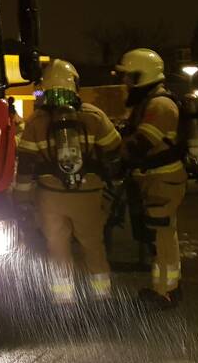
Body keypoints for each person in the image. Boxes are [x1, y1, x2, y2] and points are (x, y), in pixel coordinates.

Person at [14, 59, 122, 302]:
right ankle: (102, 296)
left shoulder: (36, 121)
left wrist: (20, 197)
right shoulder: (95, 116)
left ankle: (63, 299)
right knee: (93, 245)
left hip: (50, 196)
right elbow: (115, 150)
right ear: (75, 84)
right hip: (88, 194)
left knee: (57, 246)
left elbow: (26, 163)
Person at [114, 48, 188, 309]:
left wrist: (114, 149)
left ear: (142, 76)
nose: (126, 83)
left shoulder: (159, 105)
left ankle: (164, 293)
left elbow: (142, 143)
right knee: (165, 235)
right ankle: (169, 287)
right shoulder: (150, 102)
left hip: (162, 181)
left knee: (162, 239)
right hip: (157, 179)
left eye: (130, 77)